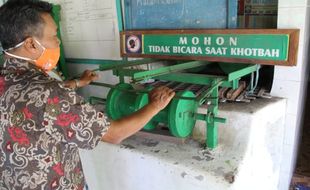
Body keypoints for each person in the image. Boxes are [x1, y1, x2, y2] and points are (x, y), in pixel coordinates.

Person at [0, 0, 175, 189]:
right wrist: (154, 106)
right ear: (31, 44)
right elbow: (114, 134)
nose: (57, 41)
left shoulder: (12, 81)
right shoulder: (50, 93)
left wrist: (76, 83)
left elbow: (32, 101)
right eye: (53, 35)